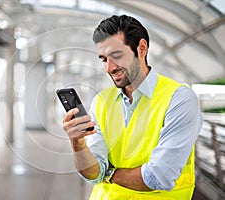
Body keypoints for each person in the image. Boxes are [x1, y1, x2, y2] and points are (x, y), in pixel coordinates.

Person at [62, 15, 203, 199]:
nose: (109, 68)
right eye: (104, 59)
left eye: (117, 56)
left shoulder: (179, 99)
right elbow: (94, 174)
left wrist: (110, 174)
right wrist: (77, 143)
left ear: (141, 48)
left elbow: (159, 176)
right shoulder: (102, 101)